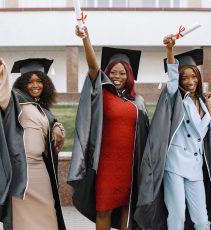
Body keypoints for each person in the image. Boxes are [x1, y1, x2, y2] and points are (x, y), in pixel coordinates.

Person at [134, 35, 211, 229]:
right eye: (185, 77)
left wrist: (210, 106)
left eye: (193, 76)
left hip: (196, 167)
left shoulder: (203, 103)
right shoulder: (176, 99)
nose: (189, 81)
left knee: (201, 219)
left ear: (198, 78)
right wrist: (170, 50)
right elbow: (171, 79)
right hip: (175, 164)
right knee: (177, 215)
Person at [67, 26, 149, 230]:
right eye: (112, 72)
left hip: (131, 164)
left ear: (129, 75)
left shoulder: (138, 101)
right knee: (104, 209)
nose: (117, 76)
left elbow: (145, 134)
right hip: (106, 164)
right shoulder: (102, 94)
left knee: (126, 210)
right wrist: (86, 39)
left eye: (122, 73)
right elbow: (93, 68)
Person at [0, 43, 66, 230]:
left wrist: (57, 126)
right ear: (22, 83)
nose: (35, 85)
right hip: (21, 171)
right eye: (30, 81)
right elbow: (2, 92)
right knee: (22, 221)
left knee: (49, 214)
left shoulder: (43, 109)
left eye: (39, 81)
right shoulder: (14, 100)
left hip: (40, 170)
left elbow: (49, 128)